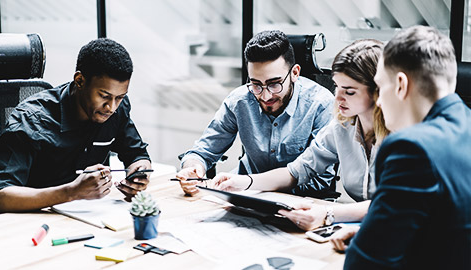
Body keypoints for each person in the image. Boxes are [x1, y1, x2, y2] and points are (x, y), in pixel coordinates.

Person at [331, 26, 471, 269]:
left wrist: (373, 242)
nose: (380, 101)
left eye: (379, 87)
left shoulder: (410, 148)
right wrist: (374, 231)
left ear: (400, 85)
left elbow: (366, 264)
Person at [211, 39, 389, 231]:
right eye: (336, 86)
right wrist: (243, 182)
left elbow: (396, 203)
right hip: (367, 226)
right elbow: (296, 171)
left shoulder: (402, 135)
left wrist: (328, 214)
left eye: (349, 91)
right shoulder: (342, 127)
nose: (337, 98)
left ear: (378, 91)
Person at [0, 38, 152, 214]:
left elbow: (138, 155)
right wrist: (72, 192)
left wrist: (139, 175)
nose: (111, 107)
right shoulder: (32, 120)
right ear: (80, 80)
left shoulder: (115, 110)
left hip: (93, 218)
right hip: (36, 221)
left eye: (119, 97)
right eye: (104, 95)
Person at [177, 30, 335, 196]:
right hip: (243, 195)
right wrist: (193, 169)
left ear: (295, 73)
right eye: (256, 84)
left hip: (299, 203)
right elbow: (202, 152)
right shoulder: (239, 101)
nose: (265, 96)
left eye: (274, 84)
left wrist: (252, 185)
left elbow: (321, 181)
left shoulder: (320, 105)